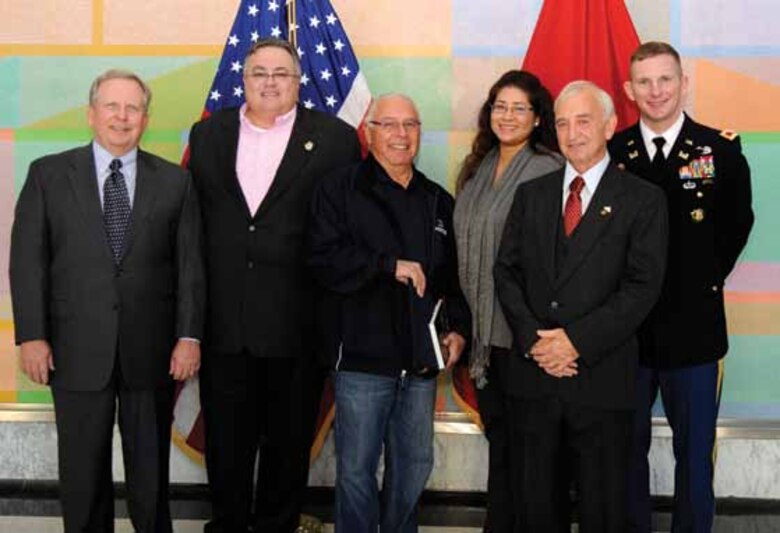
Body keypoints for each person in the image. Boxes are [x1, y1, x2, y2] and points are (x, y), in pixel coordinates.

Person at [9, 69, 205, 533]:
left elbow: (190, 267)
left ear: (145, 117)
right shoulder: (48, 175)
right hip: (75, 350)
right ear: (91, 114)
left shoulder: (175, 183)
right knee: (81, 473)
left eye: (132, 108)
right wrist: (32, 336)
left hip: (151, 351)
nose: (122, 117)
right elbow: (27, 263)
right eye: (112, 106)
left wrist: (189, 336)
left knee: (150, 474)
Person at [187, 38, 361, 533]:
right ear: (242, 79)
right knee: (226, 444)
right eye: (258, 72)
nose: (269, 82)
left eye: (280, 73)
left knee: (288, 448)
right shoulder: (208, 136)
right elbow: (196, 228)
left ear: (298, 80)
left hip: (298, 326)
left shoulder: (335, 139)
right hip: (224, 324)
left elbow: (346, 230)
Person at [494, 80, 668, 533]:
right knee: (535, 508)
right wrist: (536, 341)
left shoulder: (643, 199)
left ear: (610, 126)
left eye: (584, 121)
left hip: (601, 380)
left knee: (604, 510)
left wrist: (575, 342)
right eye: (563, 123)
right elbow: (506, 272)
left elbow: (641, 288)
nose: (572, 133)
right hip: (535, 380)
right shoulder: (533, 194)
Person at [308, 93, 471, 533]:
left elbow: (451, 279)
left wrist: (457, 329)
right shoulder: (338, 189)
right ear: (369, 131)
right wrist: (386, 265)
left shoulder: (438, 200)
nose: (401, 135)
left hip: (420, 363)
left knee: (414, 465)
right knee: (357, 471)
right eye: (390, 125)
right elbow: (323, 259)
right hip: (361, 360)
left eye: (411, 125)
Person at [610, 41, 754, 533]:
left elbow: (737, 226)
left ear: (683, 82)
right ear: (629, 90)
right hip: (626, 336)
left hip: (694, 330)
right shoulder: (614, 153)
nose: (656, 91)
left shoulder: (721, 150)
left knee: (695, 455)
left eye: (665, 79)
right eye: (645, 82)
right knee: (625, 451)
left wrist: (700, 281)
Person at [453, 69, 563, 533]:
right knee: (503, 448)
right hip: (485, 342)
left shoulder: (549, 169)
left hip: (525, 338)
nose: (508, 115)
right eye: (500, 106)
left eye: (520, 108)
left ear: (539, 118)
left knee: (536, 460)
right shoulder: (477, 169)